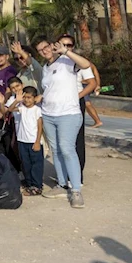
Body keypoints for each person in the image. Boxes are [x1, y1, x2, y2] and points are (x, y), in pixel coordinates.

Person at [35, 36, 93, 208]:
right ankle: (61, 184)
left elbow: (86, 65)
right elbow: (51, 88)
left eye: (46, 47)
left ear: (52, 46)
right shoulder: (45, 68)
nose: (44, 51)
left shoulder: (67, 61)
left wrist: (66, 51)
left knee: (67, 149)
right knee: (56, 150)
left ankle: (75, 190)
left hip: (68, 114)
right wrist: (42, 97)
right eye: (40, 49)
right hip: (48, 114)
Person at [60, 34, 96, 181]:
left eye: (69, 45)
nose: (65, 47)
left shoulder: (78, 62)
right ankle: (64, 174)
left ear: (72, 47)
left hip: (75, 103)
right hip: (58, 105)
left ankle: (76, 176)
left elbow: (92, 83)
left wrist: (77, 96)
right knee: (62, 141)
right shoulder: (55, 62)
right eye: (63, 44)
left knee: (76, 140)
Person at [2, 86, 44, 197]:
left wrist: (37, 141)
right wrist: (17, 100)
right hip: (22, 140)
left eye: (29, 97)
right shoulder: (21, 108)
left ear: (35, 98)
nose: (27, 100)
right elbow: (9, 110)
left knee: (36, 164)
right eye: (24, 97)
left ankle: (37, 186)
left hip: (33, 141)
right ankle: (29, 183)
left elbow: (40, 126)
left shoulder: (37, 110)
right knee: (25, 163)